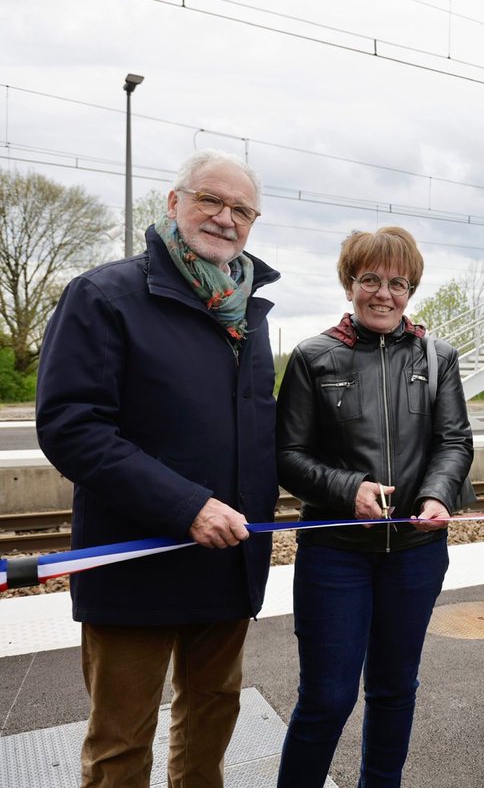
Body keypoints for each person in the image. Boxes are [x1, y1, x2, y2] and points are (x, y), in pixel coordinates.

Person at [35, 149, 278, 788]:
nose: (225, 218)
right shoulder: (105, 295)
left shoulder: (248, 313)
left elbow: (257, 431)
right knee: (121, 739)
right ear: (173, 203)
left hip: (225, 562)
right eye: (210, 200)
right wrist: (186, 506)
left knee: (211, 721)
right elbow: (72, 427)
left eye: (241, 209)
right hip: (135, 558)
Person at [274, 226, 473, 787]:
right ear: (349, 284)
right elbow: (286, 455)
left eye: (397, 283)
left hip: (414, 553)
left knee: (393, 689)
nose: (383, 294)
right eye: (370, 280)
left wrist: (437, 494)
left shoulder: (438, 356)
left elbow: (454, 441)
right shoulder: (314, 356)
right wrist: (348, 489)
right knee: (327, 697)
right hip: (335, 554)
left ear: (410, 290)